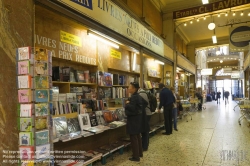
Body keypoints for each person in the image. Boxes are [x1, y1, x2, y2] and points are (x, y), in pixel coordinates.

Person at [125, 82, 145, 162]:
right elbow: (144, 103)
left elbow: (132, 108)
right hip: (138, 119)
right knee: (137, 136)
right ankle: (140, 153)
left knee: (133, 138)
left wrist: (127, 104)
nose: (128, 88)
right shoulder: (138, 96)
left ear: (134, 88)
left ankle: (136, 156)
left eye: (130, 87)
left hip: (133, 120)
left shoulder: (134, 97)